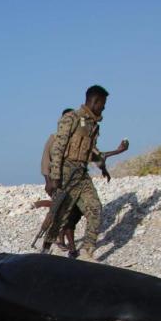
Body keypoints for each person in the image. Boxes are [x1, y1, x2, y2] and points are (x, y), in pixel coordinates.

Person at [41, 85, 129, 260]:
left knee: (95, 208)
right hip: (66, 172)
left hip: (81, 173)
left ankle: (87, 251)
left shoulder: (93, 125)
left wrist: (103, 167)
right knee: (61, 214)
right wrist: (55, 177)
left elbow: (91, 152)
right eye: (102, 104)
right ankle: (45, 250)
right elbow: (58, 148)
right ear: (95, 101)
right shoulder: (71, 118)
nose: (103, 108)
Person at [41, 108, 77, 251]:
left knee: (69, 214)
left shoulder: (76, 141)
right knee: (60, 213)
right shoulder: (54, 139)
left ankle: (66, 243)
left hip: (73, 183)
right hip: (58, 182)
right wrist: (48, 181)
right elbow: (45, 160)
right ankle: (56, 243)